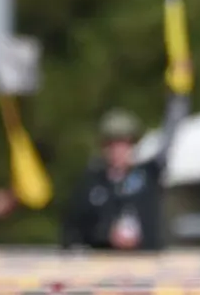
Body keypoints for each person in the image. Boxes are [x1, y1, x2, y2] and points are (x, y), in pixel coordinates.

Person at [61, 107, 184, 251]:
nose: (118, 151)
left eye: (124, 144)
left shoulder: (148, 174)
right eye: (112, 145)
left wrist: (178, 98)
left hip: (147, 263)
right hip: (105, 264)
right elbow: (72, 231)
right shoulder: (91, 184)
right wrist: (106, 234)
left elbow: (170, 135)